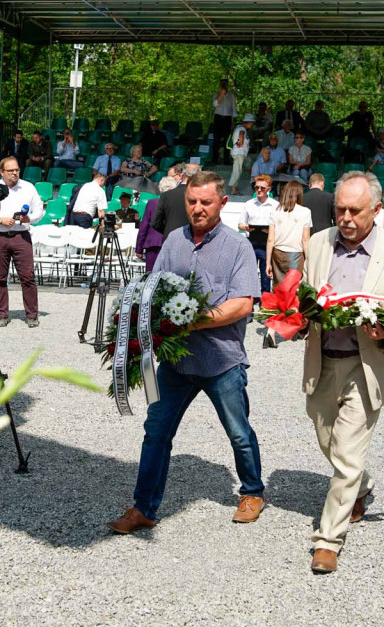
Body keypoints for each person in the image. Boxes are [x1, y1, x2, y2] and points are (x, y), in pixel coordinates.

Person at [107, 170, 263, 534]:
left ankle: (253, 491)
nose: (197, 208)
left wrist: (191, 322)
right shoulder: (174, 241)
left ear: (222, 203)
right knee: (156, 432)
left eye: (205, 202)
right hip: (175, 363)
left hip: (222, 361)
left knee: (238, 432)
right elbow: (152, 290)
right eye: (191, 202)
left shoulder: (238, 247)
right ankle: (144, 507)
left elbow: (242, 305)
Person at [302, 171, 384, 573]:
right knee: (329, 442)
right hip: (323, 360)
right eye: (340, 209)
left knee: (347, 449)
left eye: (355, 210)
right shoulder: (319, 244)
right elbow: (305, 292)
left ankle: (328, 540)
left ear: (377, 210)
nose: (346, 218)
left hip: (369, 363)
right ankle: (362, 485)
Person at [0, 156, 45, 328]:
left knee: (28, 277)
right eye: (11, 170)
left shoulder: (28, 188)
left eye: (17, 170)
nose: (15, 173)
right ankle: (2, 314)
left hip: (21, 236)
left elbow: (40, 211)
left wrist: (29, 218)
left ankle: (31, 315)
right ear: (2, 172)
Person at [238, 174, 279, 294]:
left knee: (266, 276)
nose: (259, 190)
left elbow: (280, 226)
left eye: (262, 188)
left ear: (269, 189)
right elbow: (240, 224)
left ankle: (264, 302)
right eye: (256, 188)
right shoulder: (249, 204)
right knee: (249, 274)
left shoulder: (275, 205)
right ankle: (250, 299)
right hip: (252, 241)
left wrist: (271, 230)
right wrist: (245, 227)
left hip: (268, 243)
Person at [266, 181, 312, 287]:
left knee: (278, 288)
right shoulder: (305, 212)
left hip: (277, 254)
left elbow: (270, 239)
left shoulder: (275, 211)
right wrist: (309, 259)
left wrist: (268, 262)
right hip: (296, 254)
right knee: (294, 290)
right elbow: (305, 239)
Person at [135, 176, 177, 272]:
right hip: (171, 243)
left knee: (151, 277)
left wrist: (139, 248)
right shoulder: (177, 203)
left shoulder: (152, 203)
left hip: (153, 243)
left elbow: (144, 226)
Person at [151, 165, 198, 239]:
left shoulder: (167, 195)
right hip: (192, 239)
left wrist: (169, 232)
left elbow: (155, 223)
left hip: (170, 238)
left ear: (182, 176)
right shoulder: (199, 195)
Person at [212, 79, 237, 165]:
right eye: (222, 84)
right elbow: (215, 104)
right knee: (216, 139)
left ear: (227, 85)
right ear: (219, 85)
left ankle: (226, 159)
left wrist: (234, 120)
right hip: (218, 118)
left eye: (225, 84)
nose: (223, 85)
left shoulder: (231, 95)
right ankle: (215, 159)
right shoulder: (216, 94)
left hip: (227, 119)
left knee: (227, 139)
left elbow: (234, 108)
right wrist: (221, 95)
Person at [228, 114, 255, 195]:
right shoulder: (242, 129)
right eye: (252, 123)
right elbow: (241, 134)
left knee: (239, 169)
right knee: (237, 171)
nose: (252, 125)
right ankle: (233, 189)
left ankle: (234, 188)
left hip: (239, 153)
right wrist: (241, 142)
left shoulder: (239, 127)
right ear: (248, 122)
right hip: (239, 153)